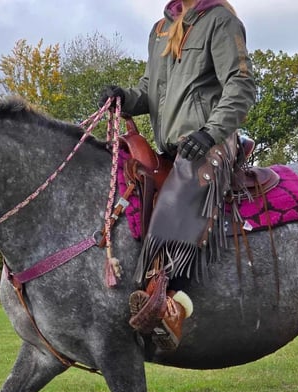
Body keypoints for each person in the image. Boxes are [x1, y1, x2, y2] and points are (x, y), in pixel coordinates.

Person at [99, 0, 255, 351]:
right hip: (172, 147)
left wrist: (210, 132)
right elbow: (151, 92)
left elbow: (241, 85)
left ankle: (167, 304)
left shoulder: (220, 20)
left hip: (211, 141)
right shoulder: (160, 29)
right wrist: (124, 97)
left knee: (180, 189)